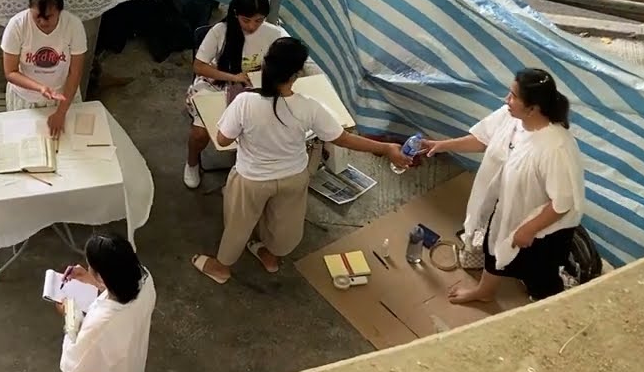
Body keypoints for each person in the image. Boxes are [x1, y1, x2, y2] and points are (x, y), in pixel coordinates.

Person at [191, 37, 413, 284]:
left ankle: (222, 267)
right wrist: (387, 148)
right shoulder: (310, 107)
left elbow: (223, 140)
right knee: (284, 223)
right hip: (294, 177)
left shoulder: (244, 102)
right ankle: (271, 257)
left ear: (265, 65)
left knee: (238, 224)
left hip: (252, 179)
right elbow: (343, 139)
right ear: (296, 75)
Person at [420, 68, 585, 303]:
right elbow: (483, 139)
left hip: (544, 227)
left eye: (513, 96)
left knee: (540, 275)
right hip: (508, 206)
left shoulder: (555, 148)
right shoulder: (512, 118)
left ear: (533, 108)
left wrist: (528, 230)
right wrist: (441, 145)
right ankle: (484, 292)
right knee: (495, 246)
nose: (507, 100)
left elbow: (562, 203)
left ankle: (547, 305)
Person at [183, 0, 292, 189]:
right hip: (218, 83)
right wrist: (234, 77)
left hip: (253, 87)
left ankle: (245, 166)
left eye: (259, 20)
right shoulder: (220, 31)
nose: (252, 26)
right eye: (246, 20)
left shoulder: (274, 33)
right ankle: (192, 163)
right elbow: (199, 66)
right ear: (235, 14)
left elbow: (292, 56)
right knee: (200, 133)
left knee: (264, 127)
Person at [55, 234, 156, 372]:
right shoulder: (145, 281)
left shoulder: (103, 323)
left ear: (103, 276)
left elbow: (73, 370)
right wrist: (93, 279)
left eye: (90, 267)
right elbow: (122, 284)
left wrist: (70, 316)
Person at [1, 0, 89, 136]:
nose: (42, 22)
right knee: (26, 142)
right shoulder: (17, 25)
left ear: (60, 11)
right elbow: (10, 72)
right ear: (30, 9)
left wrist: (61, 112)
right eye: (37, 16)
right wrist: (40, 88)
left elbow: (75, 73)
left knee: (68, 143)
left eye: (48, 16)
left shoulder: (73, 26)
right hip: (26, 98)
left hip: (63, 97)